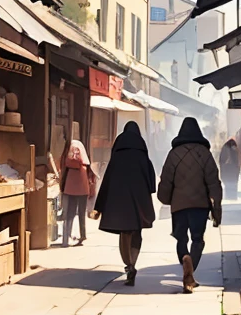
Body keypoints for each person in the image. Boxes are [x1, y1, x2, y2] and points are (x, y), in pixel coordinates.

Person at [158, 117, 222, 294]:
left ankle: (185, 260)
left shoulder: (174, 154)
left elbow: (166, 181)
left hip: (179, 205)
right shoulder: (205, 153)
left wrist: (166, 199)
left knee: (181, 239)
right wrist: (216, 205)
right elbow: (213, 182)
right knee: (197, 239)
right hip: (200, 206)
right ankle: (190, 271)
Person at [94, 121, 156, 286]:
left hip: (119, 202)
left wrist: (98, 207)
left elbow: (106, 182)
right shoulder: (143, 155)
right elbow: (152, 183)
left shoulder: (117, 156)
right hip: (139, 200)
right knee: (137, 233)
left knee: (124, 234)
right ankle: (134, 263)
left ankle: (129, 266)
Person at [61, 137, 94, 246]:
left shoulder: (72, 149)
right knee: (81, 213)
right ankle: (82, 235)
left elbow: (71, 161)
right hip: (82, 185)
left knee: (70, 211)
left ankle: (67, 236)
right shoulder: (83, 165)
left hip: (71, 185)